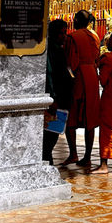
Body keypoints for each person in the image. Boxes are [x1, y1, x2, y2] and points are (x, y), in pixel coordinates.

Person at [64, 10, 100, 168]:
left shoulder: (73, 37)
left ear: (77, 20)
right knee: (89, 118)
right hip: (92, 75)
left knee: (71, 116)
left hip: (78, 76)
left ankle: (73, 153)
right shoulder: (94, 36)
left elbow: (71, 62)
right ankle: (87, 156)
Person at [93, 28, 112, 174]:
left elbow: (103, 81)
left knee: (106, 131)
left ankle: (104, 164)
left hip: (110, 98)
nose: (108, 41)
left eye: (111, 39)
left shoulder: (108, 57)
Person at [43, 19, 73, 165]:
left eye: (65, 33)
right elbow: (49, 74)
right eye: (61, 33)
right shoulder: (49, 50)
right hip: (54, 99)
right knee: (49, 136)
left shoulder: (59, 49)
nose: (64, 36)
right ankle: (47, 161)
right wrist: (52, 98)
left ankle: (48, 160)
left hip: (61, 98)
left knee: (54, 133)